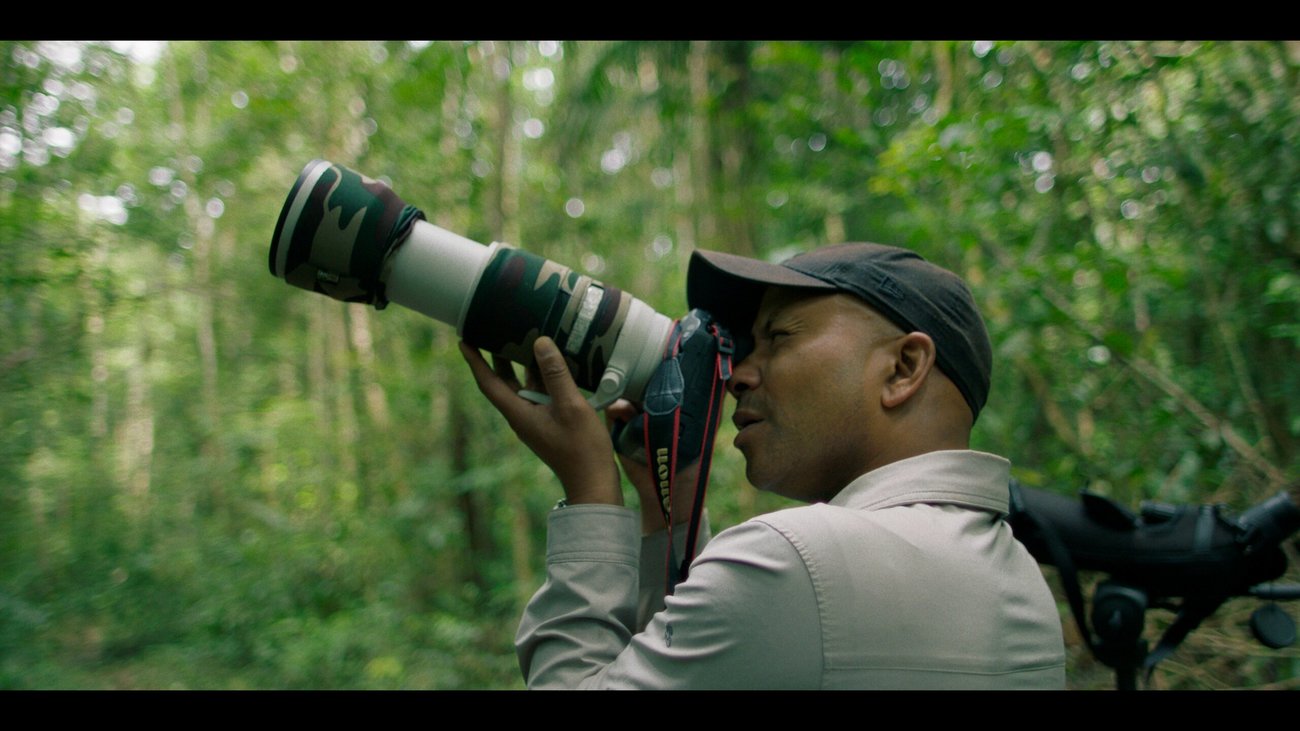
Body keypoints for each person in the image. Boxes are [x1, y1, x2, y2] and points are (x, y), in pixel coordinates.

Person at [460, 242, 1067, 689]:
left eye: (777, 337)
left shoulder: (798, 559)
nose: (740, 376)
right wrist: (666, 500)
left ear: (903, 368)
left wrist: (591, 489)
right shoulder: (1020, 579)